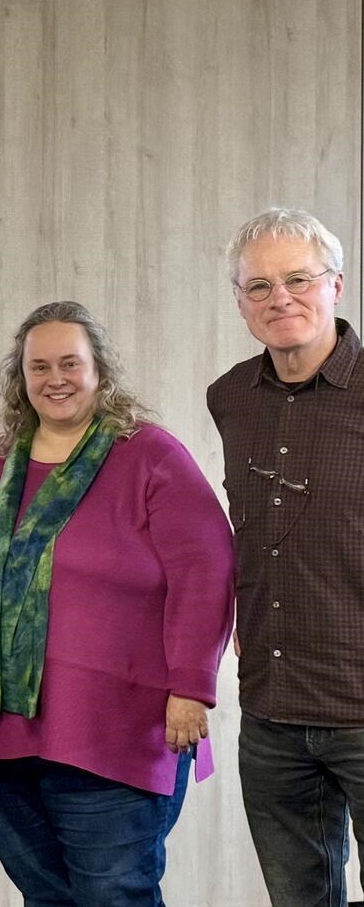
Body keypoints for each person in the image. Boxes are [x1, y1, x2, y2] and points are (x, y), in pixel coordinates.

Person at [0, 300, 234, 905]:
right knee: (46, 898)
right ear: (22, 379)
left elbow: (207, 572)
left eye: (71, 363)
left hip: (116, 729)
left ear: (101, 371)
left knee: (113, 895)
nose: (56, 379)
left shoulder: (148, 455)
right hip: (2, 731)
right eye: (39, 367)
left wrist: (191, 688)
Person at [207, 208, 364, 906]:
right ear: (240, 302)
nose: (281, 298)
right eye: (259, 286)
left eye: (298, 279)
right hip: (271, 717)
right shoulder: (229, 398)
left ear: (336, 283)